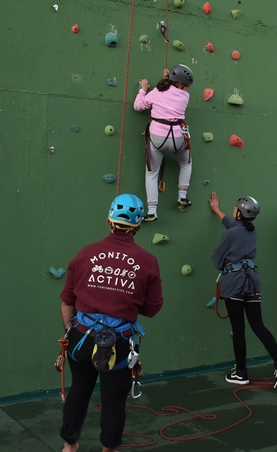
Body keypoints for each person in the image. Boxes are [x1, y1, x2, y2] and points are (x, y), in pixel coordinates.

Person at [59, 194, 163, 452]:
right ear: (138, 226)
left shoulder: (85, 254)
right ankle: (109, 450)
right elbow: (151, 309)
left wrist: (71, 333)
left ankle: (69, 446)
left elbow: (67, 300)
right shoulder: (148, 261)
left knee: (79, 392)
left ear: (109, 220)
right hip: (118, 343)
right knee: (114, 401)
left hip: (80, 339)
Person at [209, 191, 277, 388]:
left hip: (234, 282)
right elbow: (232, 225)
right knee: (258, 325)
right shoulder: (250, 230)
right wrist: (216, 210)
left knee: (238, 329)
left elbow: (216, 260)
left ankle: (241, 372)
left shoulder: (231, 234)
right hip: (252, 281)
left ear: (239, 212)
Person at [133, 64, 194, 222]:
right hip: (177, 138)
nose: (187, 89)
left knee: (152, 173)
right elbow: (172, 92)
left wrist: (143, 90)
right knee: (186, 163)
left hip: (158, 138)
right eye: (186, 86)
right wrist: (167, 78)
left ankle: (152, 211)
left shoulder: (156, 92)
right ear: (180, 84)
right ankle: (182, 196)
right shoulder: (185, 97)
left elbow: (138, 106)